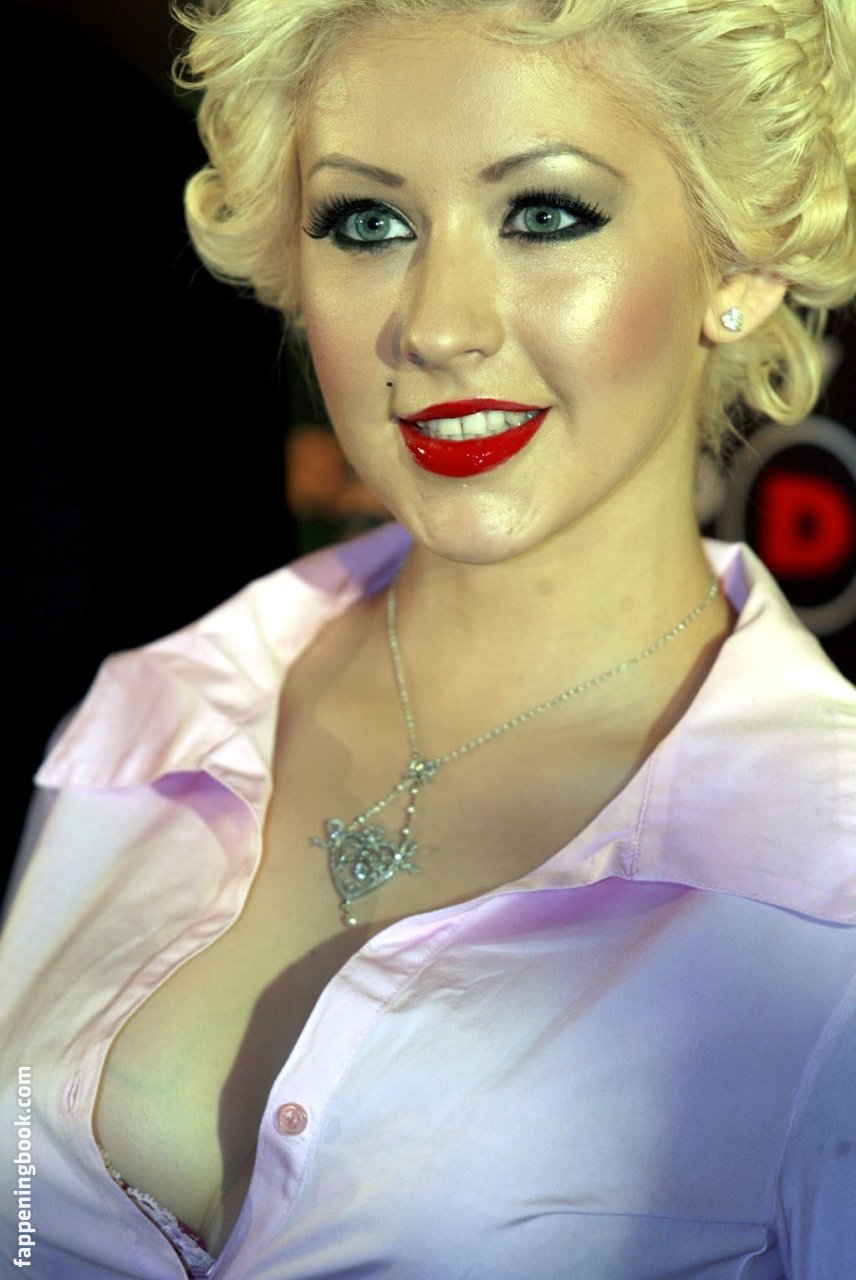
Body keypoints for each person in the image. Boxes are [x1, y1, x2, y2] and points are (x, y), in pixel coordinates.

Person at [2, 0, 855, 1275]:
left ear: (741, 263)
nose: (440, 324)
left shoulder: (828, 889)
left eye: (544, 213)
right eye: (368, 223)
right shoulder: (146, 718)